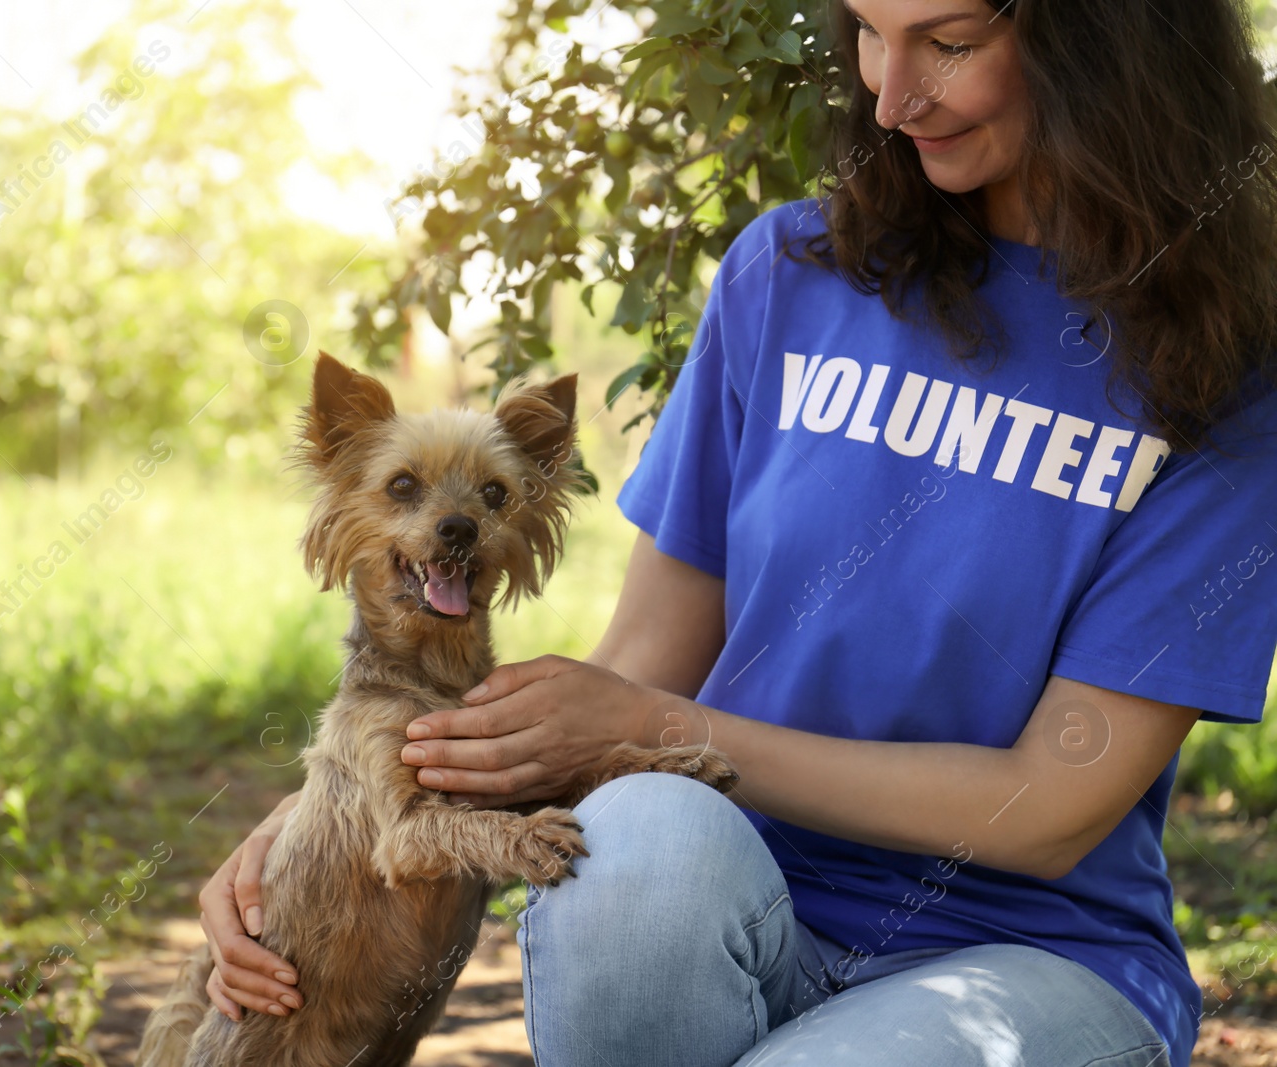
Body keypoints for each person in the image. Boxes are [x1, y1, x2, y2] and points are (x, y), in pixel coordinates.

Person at [195, 0, 1277, 1064]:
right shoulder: (789, 274)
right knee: (631, 851)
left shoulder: (1225, 371)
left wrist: (672, 730)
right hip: (727, 892)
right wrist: (319, 826)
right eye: (866, 31)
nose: (891, 97)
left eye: (949, 43)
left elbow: (1052, 803)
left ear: (1101, 41)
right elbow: (635, 671)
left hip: (1029, 956)